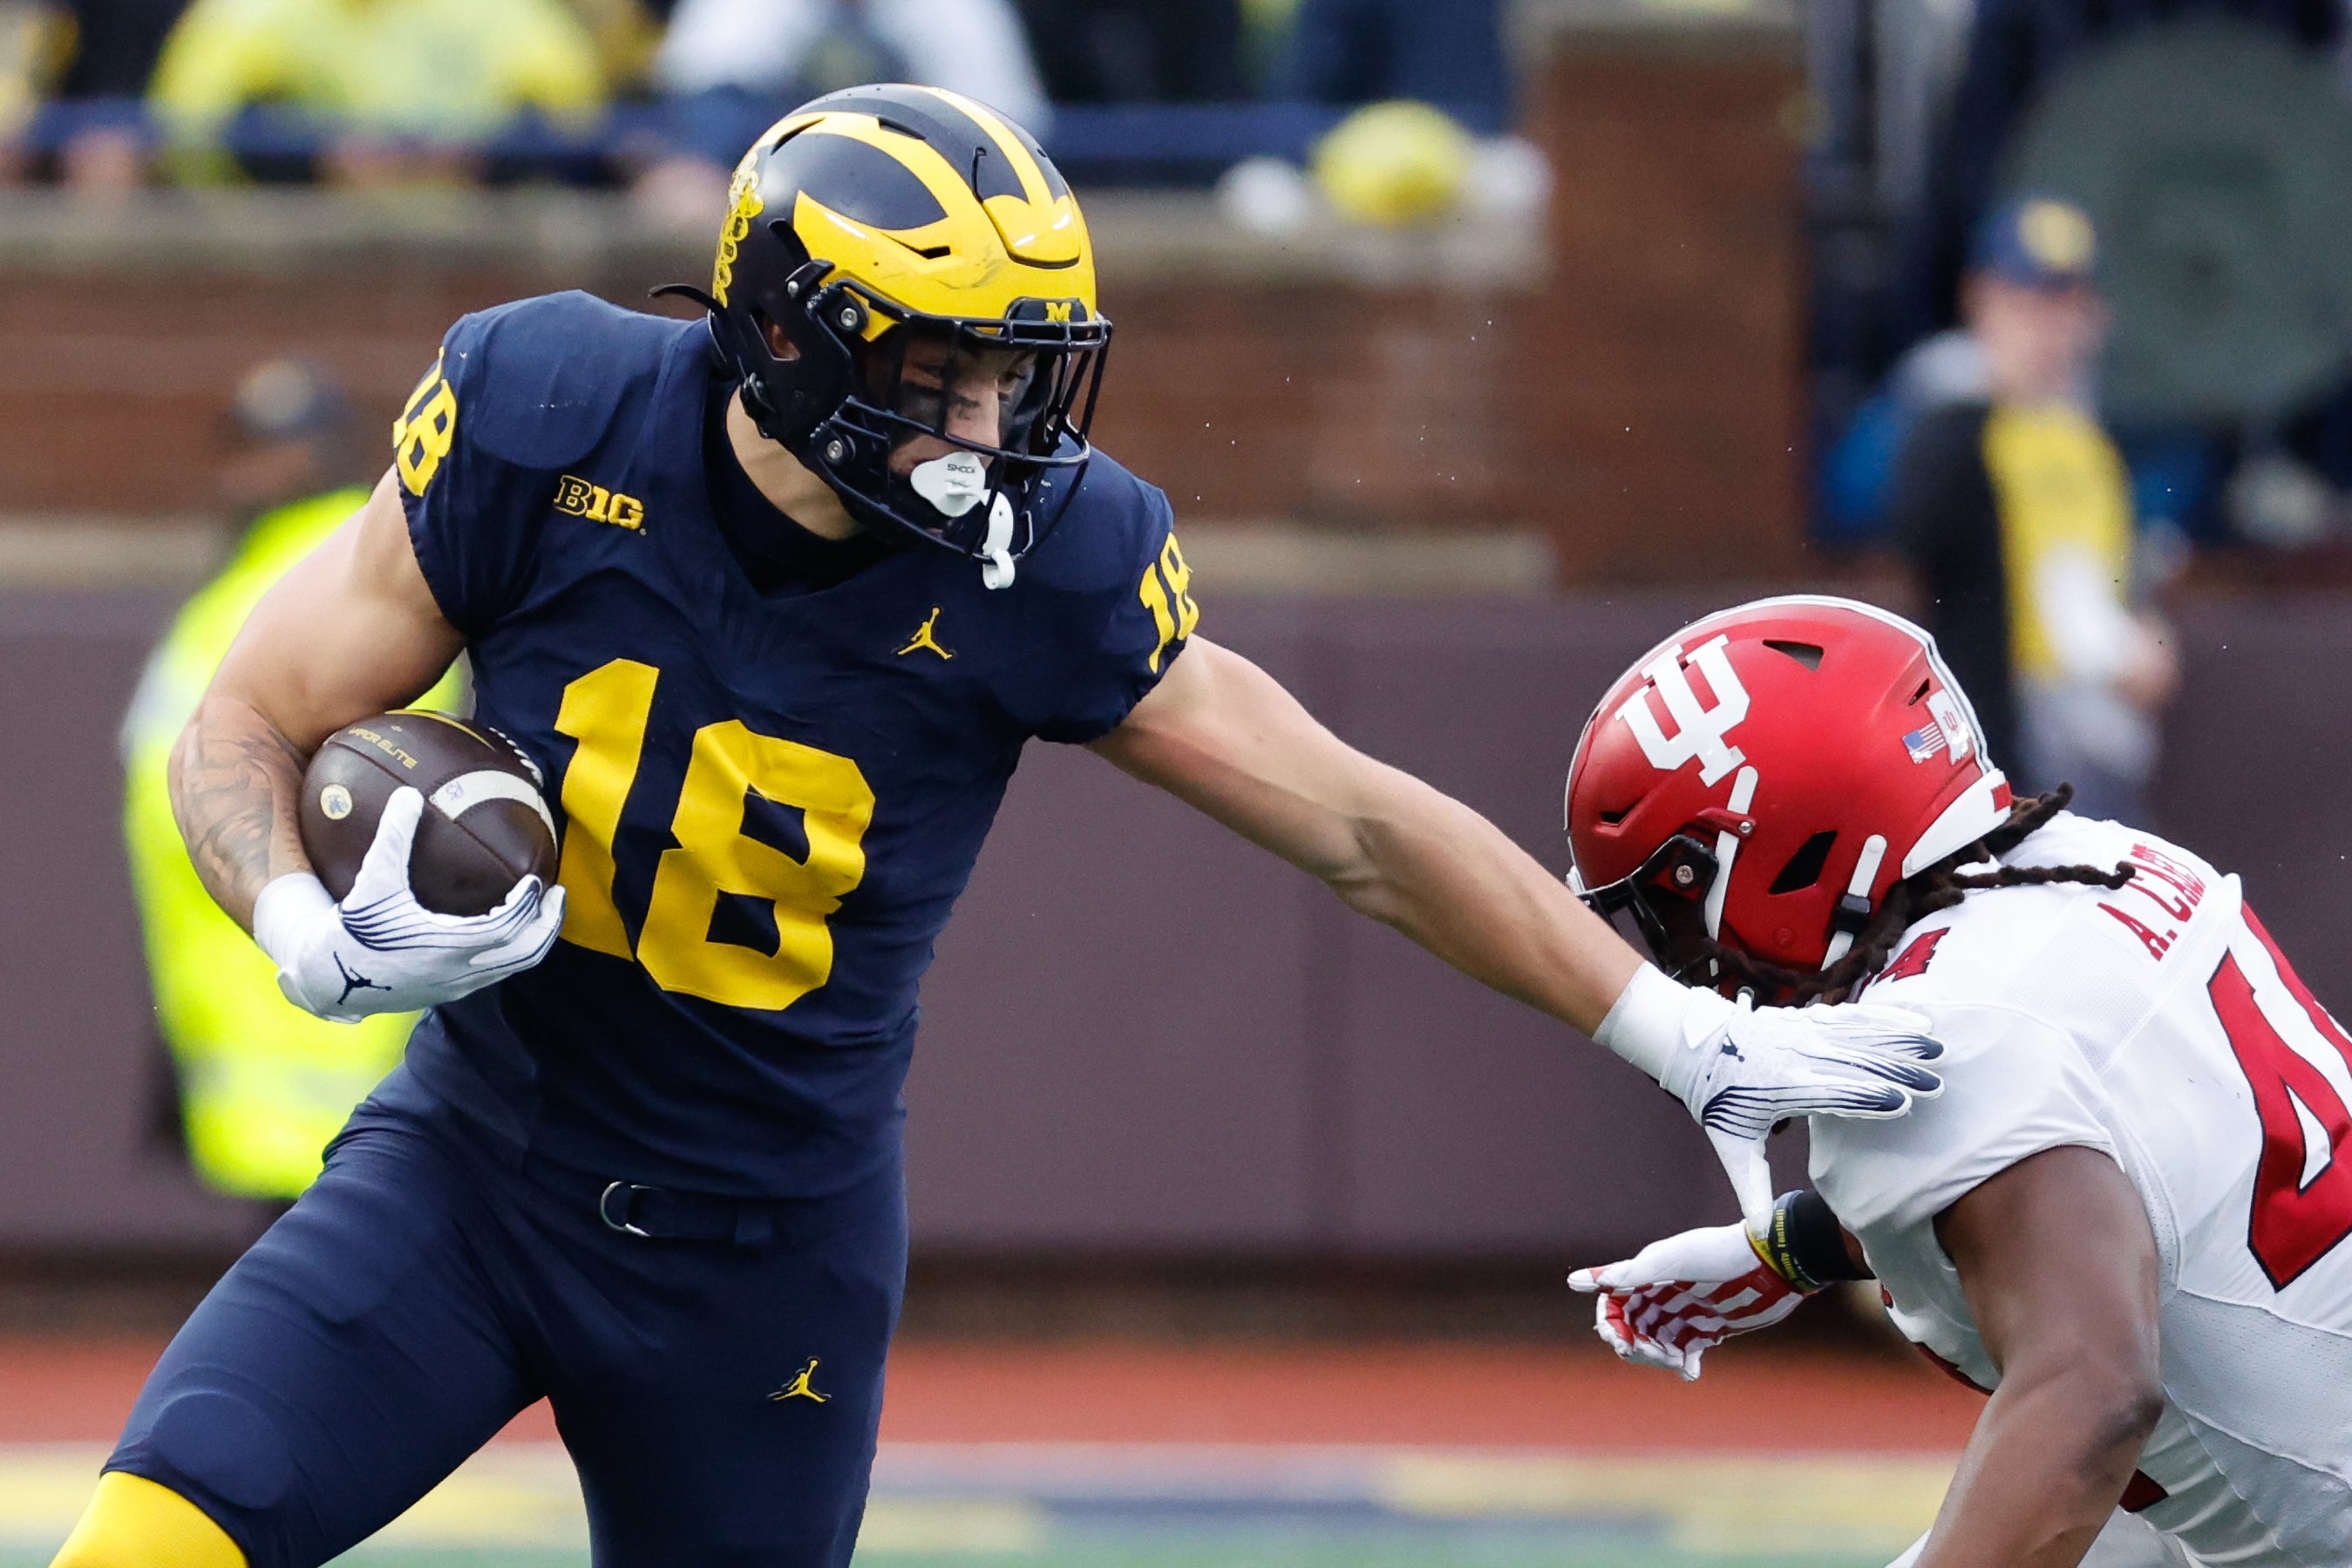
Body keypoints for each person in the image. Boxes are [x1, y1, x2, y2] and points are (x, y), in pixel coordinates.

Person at [48, 86, 1947, 1568]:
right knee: (148, 1535)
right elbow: (250, 717)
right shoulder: (549, 413)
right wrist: (292, 914)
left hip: (760, 1257)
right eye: (940, 367)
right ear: (788, 331)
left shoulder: (1051, 561)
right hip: (470, 1170)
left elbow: (1357, 820)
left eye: (1017, 370)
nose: (992, 421)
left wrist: (1668, 1027)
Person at [1562, 594, 2352, 1567]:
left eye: (1678, 904)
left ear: (1787, 845)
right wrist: (1795, 1245)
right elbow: (2126, 1164)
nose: (1684, 956)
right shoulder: (2096, 861)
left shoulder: (1940, 1028)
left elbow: (2093, 1397)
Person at [122, 360, 458, 1203]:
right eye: (248, 449)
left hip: (342, 1026)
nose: (260, 472)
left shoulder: (356, 570)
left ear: (331, 450)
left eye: (283, 448)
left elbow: (380, 785)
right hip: (256, 1002)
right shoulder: (252, 579)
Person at [1887, 194, 2176, 822]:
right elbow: (1893, 527)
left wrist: (2144, 637)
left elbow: (2117, 571)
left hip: (2090, 740)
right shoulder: (1945, 414)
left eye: (2064, 306)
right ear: (1979, 301)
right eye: (2026, 304)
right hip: (1984, 749)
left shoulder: (2087, 439)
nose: (2047, 329)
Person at [146, 0, 603, 184]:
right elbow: (189, 130)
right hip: (299, 259)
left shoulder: (506, 11)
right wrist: (317, 159)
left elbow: (577, 124)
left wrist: (482, 159)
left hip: (476, 253)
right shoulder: (245, 14)